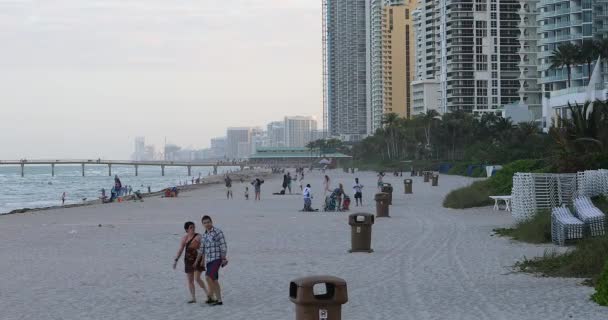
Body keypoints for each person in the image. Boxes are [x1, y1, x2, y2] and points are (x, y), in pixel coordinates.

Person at [173, 222, 210, 304]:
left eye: (193, 227)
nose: (193, 228)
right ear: (186, 229)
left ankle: (208, 294)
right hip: (188, 260)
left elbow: (204, 249)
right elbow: (181, 250)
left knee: (197, 278)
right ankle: (193, 298)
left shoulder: (199, 236)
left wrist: (203, 260)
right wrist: (176, 260)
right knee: (190, 281)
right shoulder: (185, 238)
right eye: (191, 227)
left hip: (198, 259)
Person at [194, 216, 228, 306]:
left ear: (211, 222)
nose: (207, 224)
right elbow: (202, 250)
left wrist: (223, 258)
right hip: (208, 261)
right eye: (205, 223)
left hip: (217, 258)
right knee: (214, 280)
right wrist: (197, 261)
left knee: (208, 277)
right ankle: (219, 300)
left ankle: (211, 296)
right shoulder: (204, 235)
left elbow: (223, 246)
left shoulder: (218, 232)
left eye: (208, 222)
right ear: (203, 224)